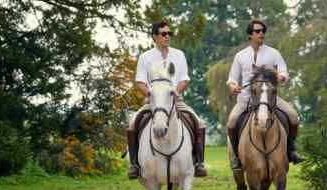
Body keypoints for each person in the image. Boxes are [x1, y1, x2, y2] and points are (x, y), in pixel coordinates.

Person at [127, 21, 207, 179]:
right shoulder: (145, 57)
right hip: (153, 102)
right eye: (164, 34)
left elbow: (184, 78)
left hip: (176, 100)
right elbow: (140, 81)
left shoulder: (179, 55)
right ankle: (135, 165)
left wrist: (176, 92)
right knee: (132, 125)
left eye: (169, 33)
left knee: (200, 123)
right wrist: (151, 95)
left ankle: (198, 163)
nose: (167, 36)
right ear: (154, 37)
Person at [226, 19, 303, 170]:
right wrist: (233, 87)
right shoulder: (240, 56)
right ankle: (236, 157)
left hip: (268, 97)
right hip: (246, 98)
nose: (261, 33)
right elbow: (232, 79)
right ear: (250, 35)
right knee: (231, 121)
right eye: (257, 31)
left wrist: (281, 76)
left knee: (293, 115)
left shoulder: (274, 53)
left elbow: (283, 71)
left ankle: (291, 150)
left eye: (263, 31)